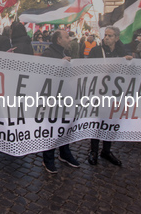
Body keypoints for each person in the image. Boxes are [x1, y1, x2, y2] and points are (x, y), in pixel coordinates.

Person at [87, 26, 131, 167]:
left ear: (117, 38)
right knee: (97, 121)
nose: (106, 38)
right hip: (99, 93)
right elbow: (89, 69)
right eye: (105, 35)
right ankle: (93, 151)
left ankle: (106, 150)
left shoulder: (122, 52)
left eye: (110, 36)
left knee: (111, 121)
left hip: (116, 94)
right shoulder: (96, 51)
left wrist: (128, 62)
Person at [41, 29, 80, 173]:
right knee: (51, 129)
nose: (69, 39)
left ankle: (65, 153)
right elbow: (44, 74)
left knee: (65, 126)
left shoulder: (63, 52)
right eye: (66, 37)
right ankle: (48, 159)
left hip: (65, 98)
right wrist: (59, 64)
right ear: (58, 40)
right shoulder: (49, 53)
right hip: (53, 99)